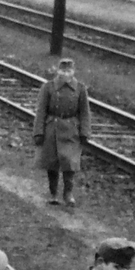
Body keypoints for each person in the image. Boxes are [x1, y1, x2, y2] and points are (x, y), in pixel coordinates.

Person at [34, 58, 91, 206]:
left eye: (69, 71)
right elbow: (41, 111)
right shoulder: (48, 87)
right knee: (51, 162)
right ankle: (53, 193)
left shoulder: (80, 89)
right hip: (52, 127)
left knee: (70, 162)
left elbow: (85, 113)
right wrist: (38, 132)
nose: (66, 74)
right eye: (63, 70)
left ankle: (68, 193)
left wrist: (85, 132)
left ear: (73, 72)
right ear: (57, 71)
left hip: (71, 130)